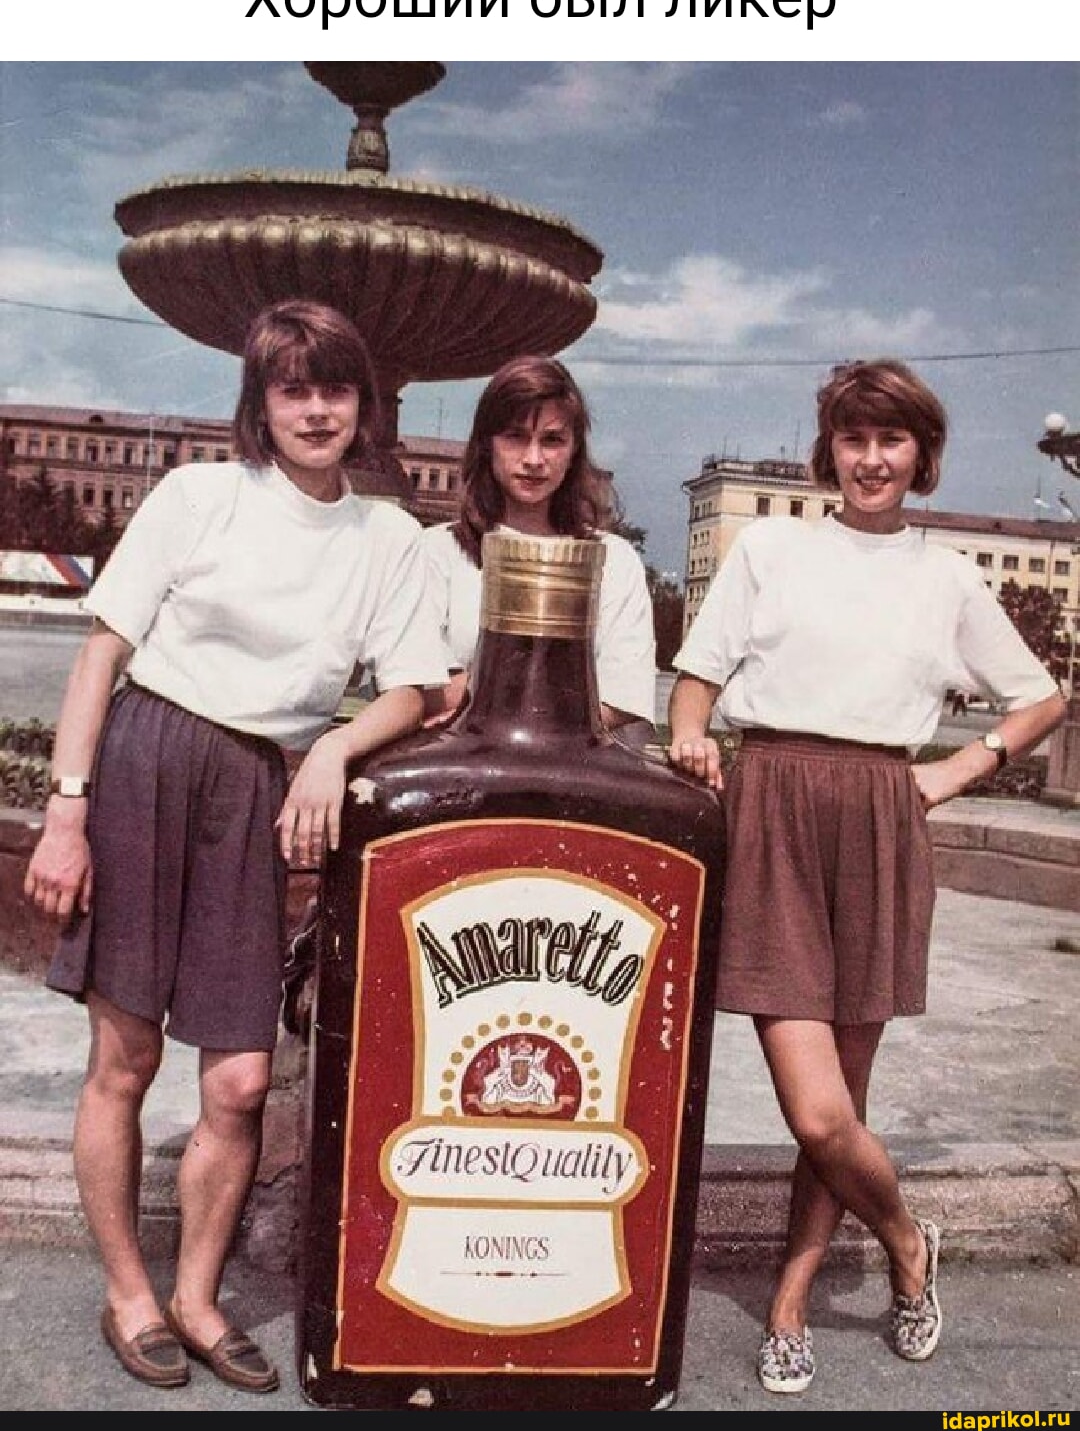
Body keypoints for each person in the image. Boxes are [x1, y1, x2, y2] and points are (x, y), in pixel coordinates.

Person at [22, 299, 448, 1395]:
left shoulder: (389, 537)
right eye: (293, 389)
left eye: (335, 388)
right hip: (149, 759)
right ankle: (130, 1292)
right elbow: (101, 656)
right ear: (260, 403)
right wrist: (66, 814)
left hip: (260, 785)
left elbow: (414, 687)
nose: (317, 410)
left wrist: (333, 748)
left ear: (363, 403)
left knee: (243, 1080)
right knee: (125, 1057)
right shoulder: (199, 496)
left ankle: (199, 1298)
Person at [667, 358, 1066, 1396]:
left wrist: (956, 771)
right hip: (775, 807)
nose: (872, 459)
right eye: (855, 438)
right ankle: (907, 1238)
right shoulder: (772, 549)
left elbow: (1040, 698)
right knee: (816, 1112)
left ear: (921, 455)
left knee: (841, 1101)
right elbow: (696, 677)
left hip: (883, 819)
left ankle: (790, 1303)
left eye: (892, 440)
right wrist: (691, 734)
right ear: (830, 450)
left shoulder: (948, 577)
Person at [421, 354, 657, 740]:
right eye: (516, 437)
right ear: (487, 444)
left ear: (574, 450)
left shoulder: (613, 560)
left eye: (552, 440)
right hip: (461, 761)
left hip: (568, 765)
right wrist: (558, 699)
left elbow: (623, 696)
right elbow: (421, 686)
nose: (534, 460)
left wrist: (482, 695)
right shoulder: (437, 550)